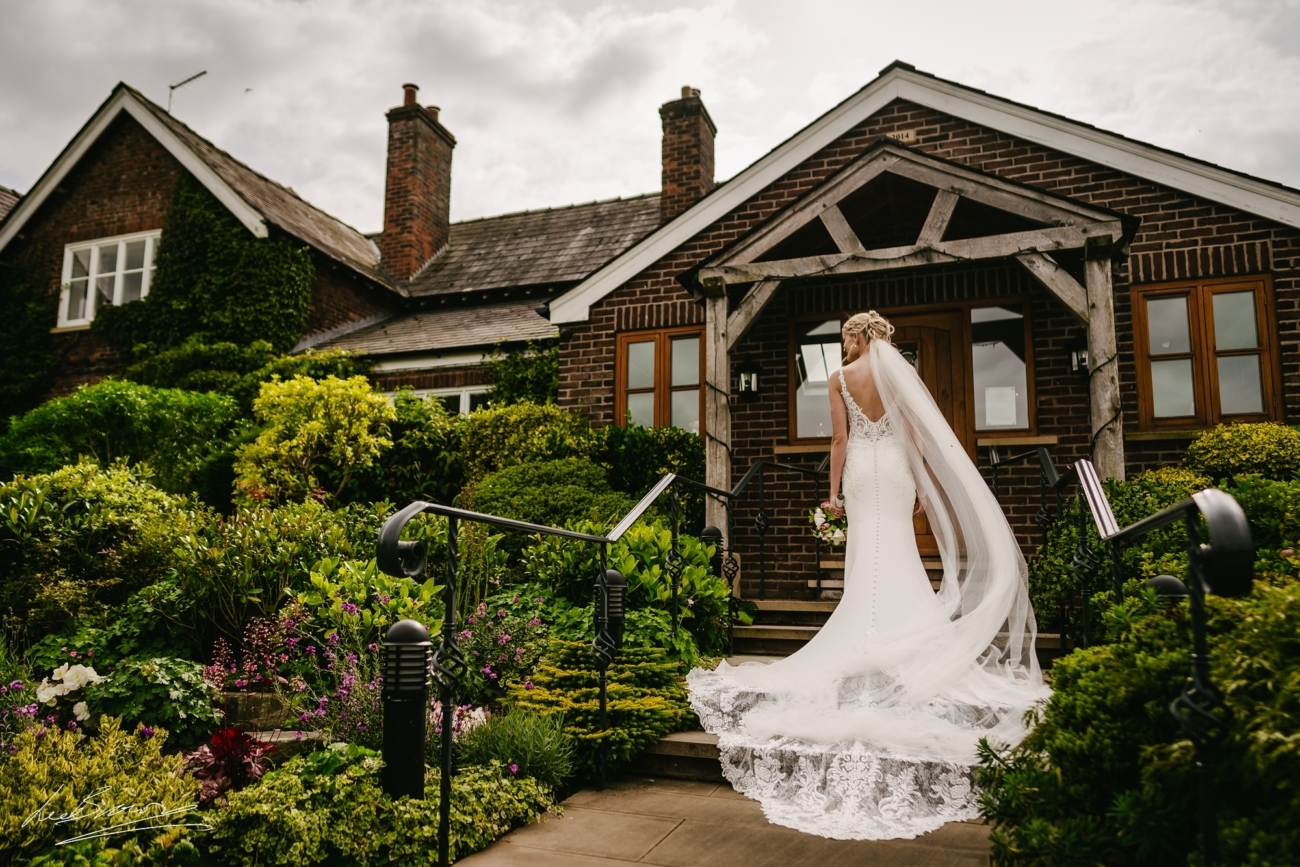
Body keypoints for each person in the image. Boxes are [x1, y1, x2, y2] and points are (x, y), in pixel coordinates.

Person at [687, 311, 1049, 841]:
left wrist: (832, 494)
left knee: (867, 557)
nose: (844, 346)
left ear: (858, 336)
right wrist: (924, 489)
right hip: (898, 470)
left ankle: (865, 633)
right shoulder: (896, 372)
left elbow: (839, 439)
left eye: (845, 338)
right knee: (897, 549)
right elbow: (915, 435)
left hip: (860, 468)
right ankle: (905, 634)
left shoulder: (841, 379)